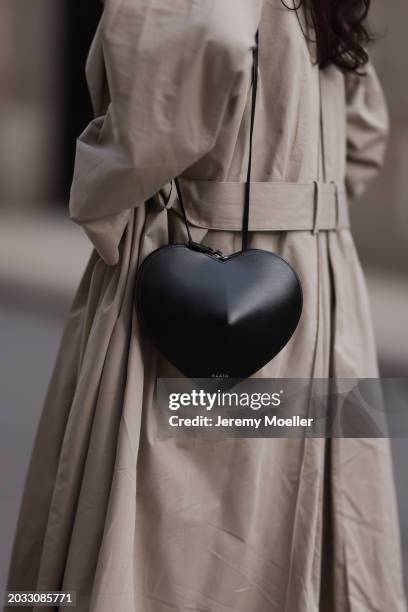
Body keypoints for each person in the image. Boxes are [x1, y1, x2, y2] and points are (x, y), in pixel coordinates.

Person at [5, 1, 407, 611]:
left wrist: (104, 194)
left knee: (181, 552)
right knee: (306, 530)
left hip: (206, 281)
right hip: (322, 298)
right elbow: (366, 134)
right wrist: (304, 214)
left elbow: (194, 53)